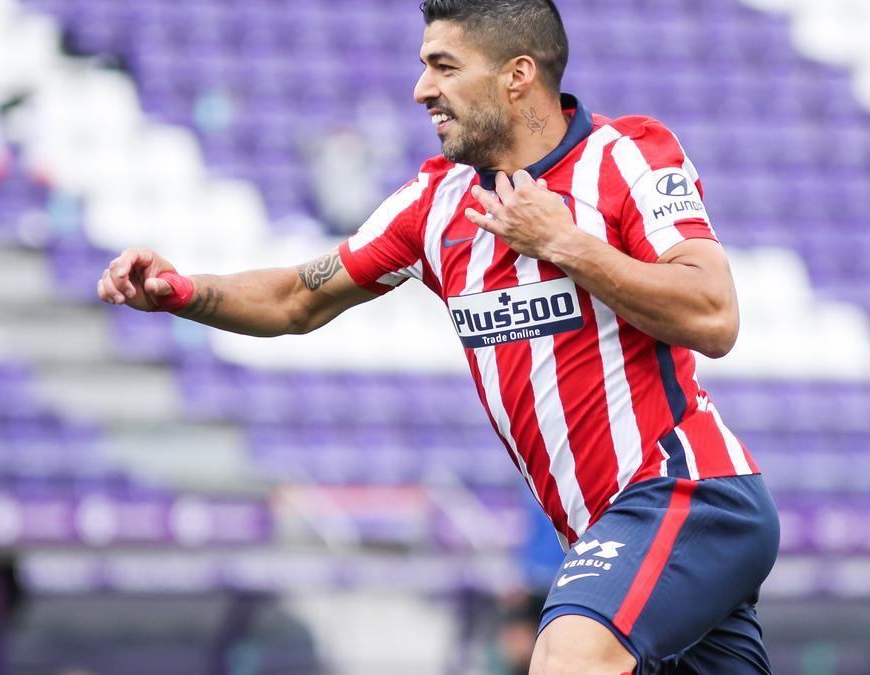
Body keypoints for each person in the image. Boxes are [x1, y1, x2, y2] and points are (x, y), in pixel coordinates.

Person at [97, 1, 780, 672]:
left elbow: (713, 316)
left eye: (443, 67)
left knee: (569, 657)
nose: (422, 89)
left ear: (517, 75)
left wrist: (564, 242)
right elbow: (296, 297)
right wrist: (182, 293)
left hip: (687, 490)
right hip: (602, 528)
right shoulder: (434, 205)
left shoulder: (627, 157)